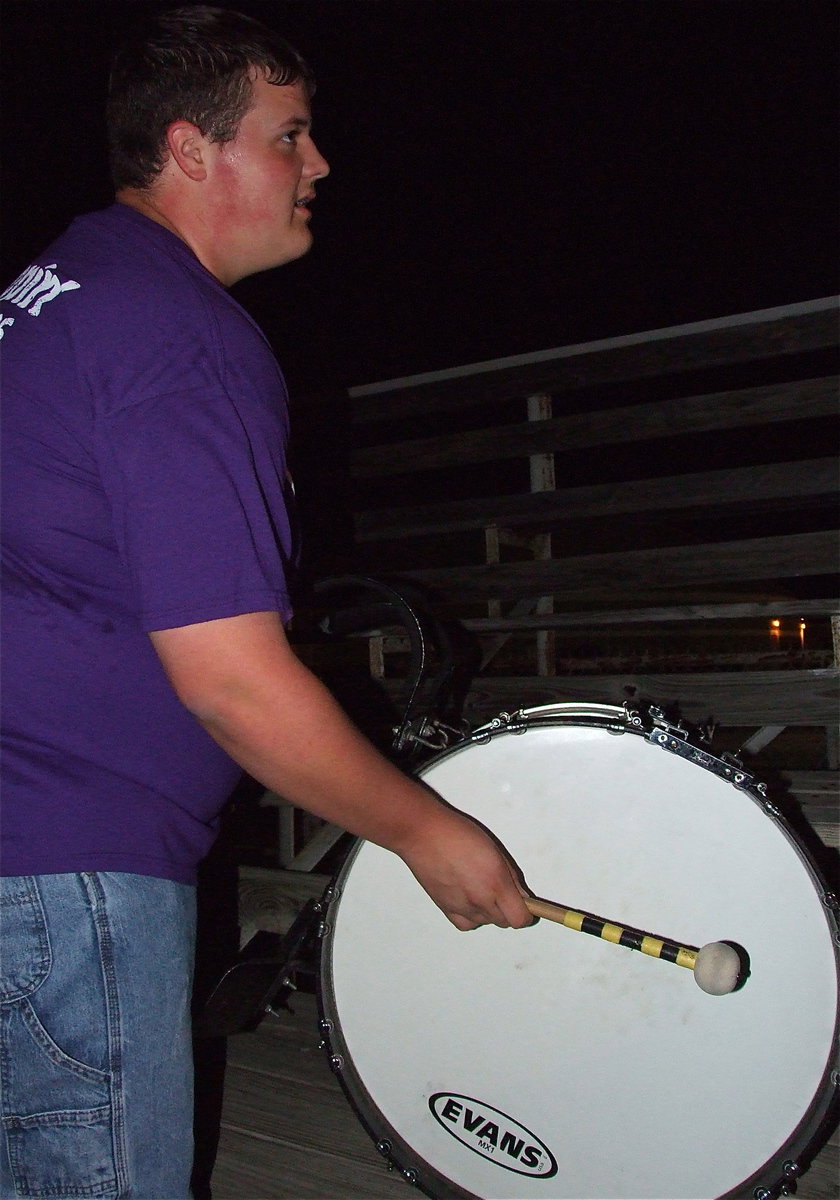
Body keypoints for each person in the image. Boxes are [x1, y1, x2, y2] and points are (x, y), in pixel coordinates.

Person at [0, 6, 532, 1197]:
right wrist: (424, 831)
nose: (320, 165)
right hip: (56, 873)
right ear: (193, 150)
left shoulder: (55, 290)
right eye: (291, 136)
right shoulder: (176, 332)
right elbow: (231, 679)